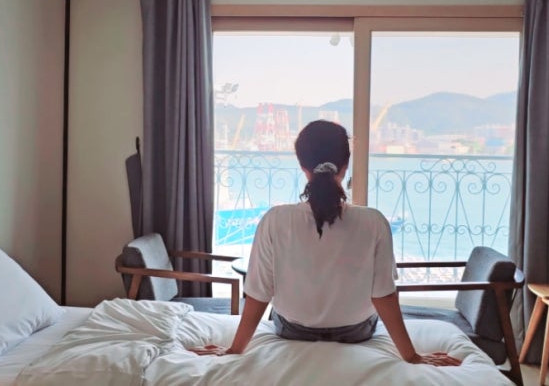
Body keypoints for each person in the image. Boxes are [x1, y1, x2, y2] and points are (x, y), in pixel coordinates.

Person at [191, 120, 460, 367]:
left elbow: (259, 294)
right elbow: (384, 295)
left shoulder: (275, 219)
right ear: (346, 165)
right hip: (357, 332)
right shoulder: (375, 222)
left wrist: (235, 350)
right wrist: (411, 356)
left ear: (303, 167)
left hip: (292, 330)